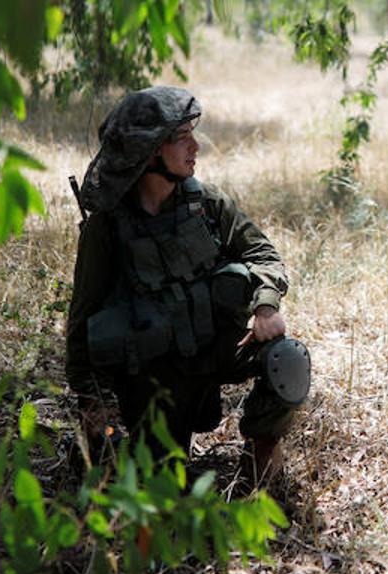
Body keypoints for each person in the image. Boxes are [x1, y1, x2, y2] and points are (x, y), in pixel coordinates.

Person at [65, 86, 309, 484]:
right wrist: (92, 399)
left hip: (217, 346)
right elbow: (82, 321)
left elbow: (264, 255)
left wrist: (265, 306)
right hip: (154, 377)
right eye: (181, 138)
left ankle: (260, 462)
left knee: (288, 359)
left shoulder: (206, 203)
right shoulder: (107, 229)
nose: (195, 146)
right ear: (150, 152)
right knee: (164, 486)